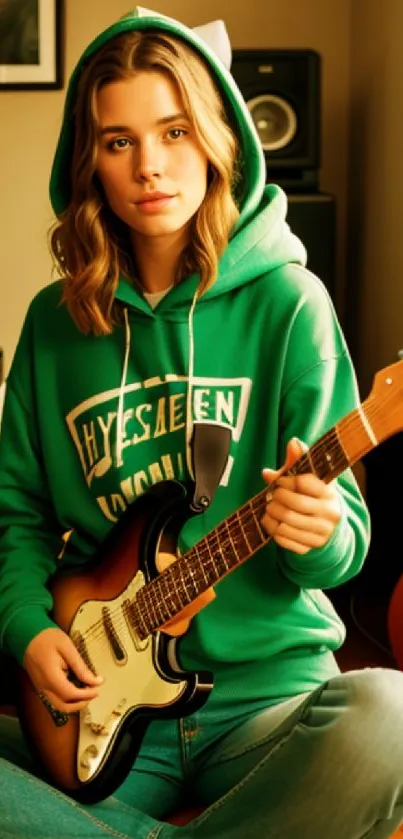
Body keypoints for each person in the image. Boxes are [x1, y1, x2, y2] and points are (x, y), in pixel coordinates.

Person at [0, 7, 402, 839]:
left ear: (217, 139)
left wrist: (317, 529)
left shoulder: (289, 303)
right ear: (91, 165)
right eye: (119, 141)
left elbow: (346, 546)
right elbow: (18, 515)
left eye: (174, 130)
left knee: (390, 716)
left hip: (266, 697)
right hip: (103, 711)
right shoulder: (52, 325)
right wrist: (29, 630)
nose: (150, 165)